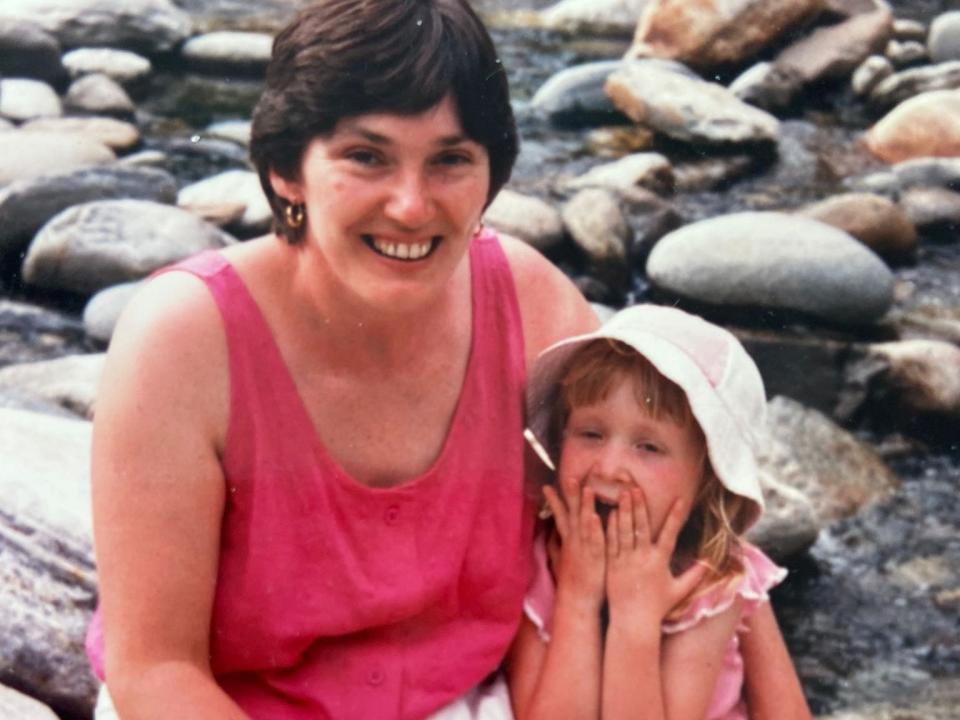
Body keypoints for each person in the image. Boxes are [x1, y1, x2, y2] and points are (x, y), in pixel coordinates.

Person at [85, 0, 807, 717]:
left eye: (450, 160)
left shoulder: (531, 306)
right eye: (366, 156)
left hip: (466, 698)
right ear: (285, 170)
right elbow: (155, 672)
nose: (410, 205)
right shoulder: (185, 338)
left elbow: (684, 525)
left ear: (492, 176)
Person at [507, 305, 813, 720]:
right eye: (590, 434)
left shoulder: (708, 579)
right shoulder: (542, 559)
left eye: (648, 447)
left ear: (708, 480)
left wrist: (636, 616)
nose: (609, 468)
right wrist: (578, 599)